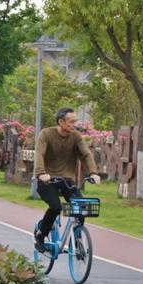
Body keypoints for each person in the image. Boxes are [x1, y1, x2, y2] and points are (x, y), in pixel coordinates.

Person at [33, 107, 101, 253]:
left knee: (81, 208)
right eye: (72, 121)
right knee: (56, 207)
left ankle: (77, 241)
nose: (75, 124)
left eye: (76, 121)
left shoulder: (75, 136)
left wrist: (93, 173)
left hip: (66, 181)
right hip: (47, 180)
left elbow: (86, 154)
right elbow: (39, 153)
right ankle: (40, 235)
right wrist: (41, 173)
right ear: (61, 122)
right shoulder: (46, 134)